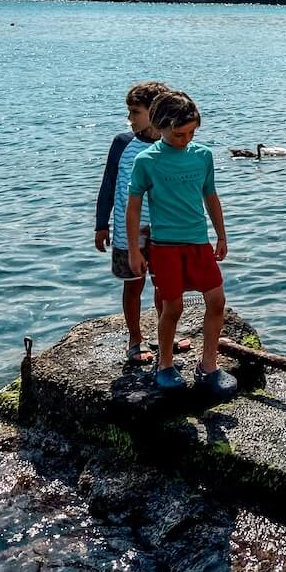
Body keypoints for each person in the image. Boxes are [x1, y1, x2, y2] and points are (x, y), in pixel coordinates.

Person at [127, 90, 237, 397]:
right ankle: (165, 365)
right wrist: (135, 249)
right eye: (178, 134)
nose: (185, 139)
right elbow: (133, 205)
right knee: (171, 306)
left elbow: (210, 195)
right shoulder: (146, 160)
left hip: (198, 242)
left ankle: (209, 366)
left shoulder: (202, 156)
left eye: (191, 133)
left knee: (216, 300)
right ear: (159, 126)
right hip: (165, 246)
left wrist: (221, 234)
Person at [95, 80, 185, 364]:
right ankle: (135, 338)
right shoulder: (123, 144)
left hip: (164, 230)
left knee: (165, 285)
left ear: (155, 111)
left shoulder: (171, 145)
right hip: (127, 233)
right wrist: (101, 224)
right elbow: (108, 184)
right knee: (133, 284)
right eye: (129, 112)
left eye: (135, 112)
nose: (129, 118)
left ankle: (165, 333)